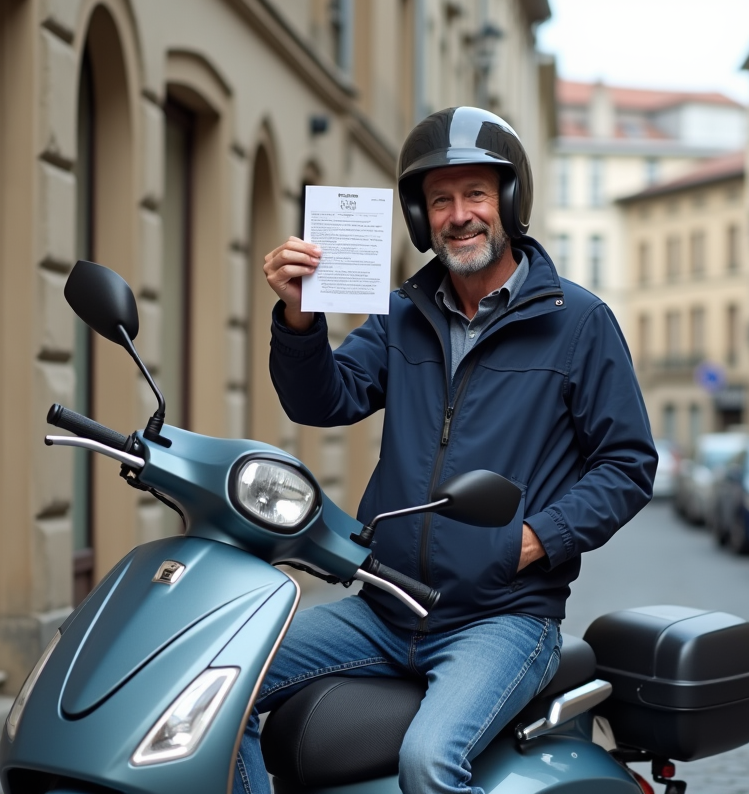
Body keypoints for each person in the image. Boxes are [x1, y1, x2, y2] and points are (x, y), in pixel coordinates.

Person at [235, 106, 656, 794]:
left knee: (429, 764)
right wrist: (299, 318)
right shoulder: (403, 313)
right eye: (440, 200)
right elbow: (325, 401)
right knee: (226, 681)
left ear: (510, 201)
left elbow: (629, 464)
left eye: (476, 195)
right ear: (419, 216)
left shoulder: (578, 323)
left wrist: (532, 540)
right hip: (383, 606)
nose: (459, 215)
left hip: (501, 621)